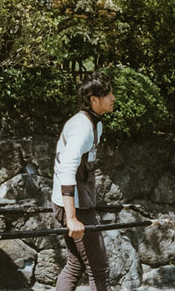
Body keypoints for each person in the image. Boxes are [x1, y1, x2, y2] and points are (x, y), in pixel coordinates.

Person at [51, 73, 116, 291]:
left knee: (75, 265)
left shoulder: (94, 124)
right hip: (74, 207)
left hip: (77, 203)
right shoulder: (82, 127)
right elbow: (66, 168)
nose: (113, 98)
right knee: (98, 269)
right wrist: (72, 218)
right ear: (93, 100)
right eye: (108, 94)